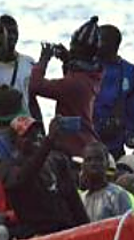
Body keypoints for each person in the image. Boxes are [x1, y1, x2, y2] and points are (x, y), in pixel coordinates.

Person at [0, 116, 89, 238]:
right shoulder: (9, 168)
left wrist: (88, 229)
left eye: (38, 133)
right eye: (28, 135)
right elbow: (24, 178)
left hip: (66, 230)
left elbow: (74, 200)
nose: (36, 137)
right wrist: (48, 142)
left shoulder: (57, 160)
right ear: (15, 142)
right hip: (36, 236)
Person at [29, 16, 104, 157]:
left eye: (73, 46)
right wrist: (67, 60)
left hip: (75, 147)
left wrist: (44, 59)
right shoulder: (94, 74)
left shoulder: (75, 83)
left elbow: (35, 85)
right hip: (86, 141)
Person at [0, 1, 42, 126]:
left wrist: (40, 127)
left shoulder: (28, 63)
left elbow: (32, 101)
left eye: (14, 32)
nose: (11, 37)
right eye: (8, 33)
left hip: (25, 128)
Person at [94, 24, 134, 157]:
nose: (95, 44)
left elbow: (133, 105)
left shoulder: (130, 70)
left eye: (99, 40)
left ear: (113, 44)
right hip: (89, 140)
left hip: (116, 142)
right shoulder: (88, 67)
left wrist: (130, 132)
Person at [79, 141, 134, 222]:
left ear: (107, 164)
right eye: (88, 160)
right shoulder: (81, 200)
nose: (93, 163)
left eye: (98, 159)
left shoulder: (118, 195)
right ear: (83, 165)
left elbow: (127, 226)